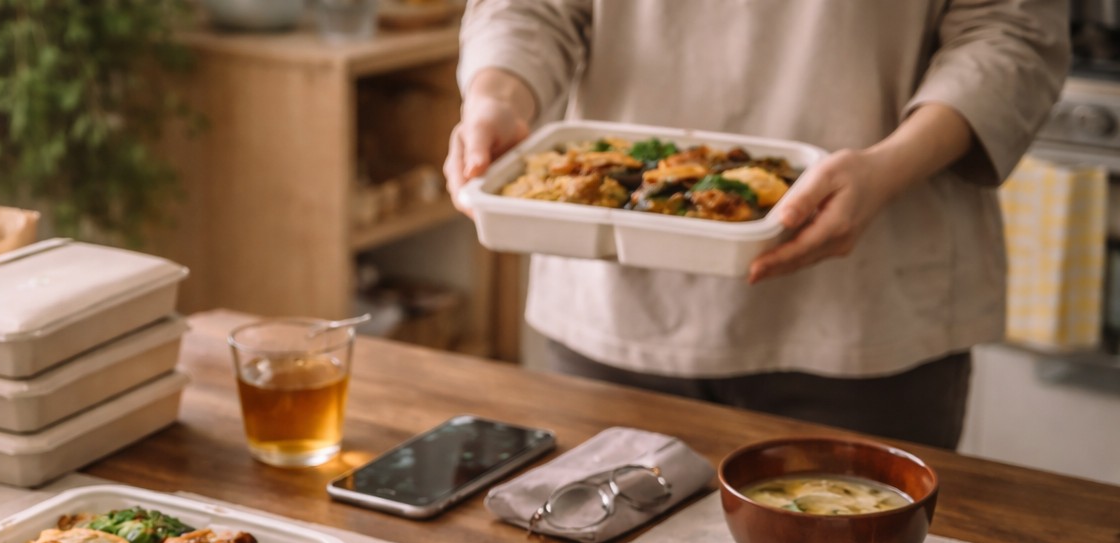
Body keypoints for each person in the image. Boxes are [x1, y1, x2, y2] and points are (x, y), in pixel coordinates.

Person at [444, 1, 1070, 450]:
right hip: (614, 304)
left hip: (867, 311)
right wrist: (496, 97)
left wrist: (890, 165)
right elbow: (526, 10)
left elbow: (1010, 28)